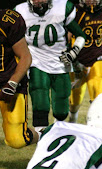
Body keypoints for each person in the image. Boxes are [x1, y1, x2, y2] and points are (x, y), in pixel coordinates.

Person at [15, 0, 86, 131]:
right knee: (39, 93)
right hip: (36, 60)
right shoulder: (21, 11)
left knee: (61, 107)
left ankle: (58, 129)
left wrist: (73, 52)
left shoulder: (62, 8)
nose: (37, 1)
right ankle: (40, 133)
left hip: (60, 61)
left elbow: (81, 35)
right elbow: (14, 37)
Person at [0, 9, 39, 149]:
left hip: (8, 82)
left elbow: (25, 56)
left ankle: (43, 135)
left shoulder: (6, 21)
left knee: (17, 140)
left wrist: (12, 83)